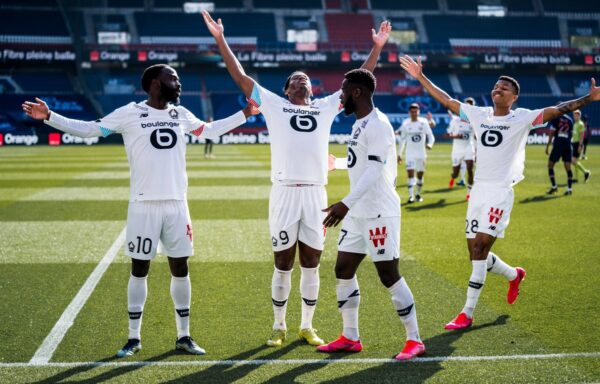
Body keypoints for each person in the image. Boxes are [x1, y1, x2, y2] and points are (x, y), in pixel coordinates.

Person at [22, 64, 258, 357]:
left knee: (180, 268)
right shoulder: (129, 113)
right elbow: (91, 129)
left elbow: (208, 130)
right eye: (173, 78)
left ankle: (184, 336)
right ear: (155, 84)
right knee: (139, 268)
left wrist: (245, 114)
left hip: (176, 204)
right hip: (143, 205)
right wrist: (50, 117)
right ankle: (134, 338)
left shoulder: (181, 114)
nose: (179, 83)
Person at [202, 10, 392, 347]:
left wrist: (376, 46)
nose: (302, 79)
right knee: (282, 261)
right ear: (287, 90)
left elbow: (362, 78)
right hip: (285, 193)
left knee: (312, 262)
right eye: (295, 78)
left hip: (316, 195)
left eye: (305, 78)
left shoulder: (325, 107)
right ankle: (278, 326)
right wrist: (220, 39)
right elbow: (240, 75)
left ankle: (307, 325)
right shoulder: (273, 104)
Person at [400, 55, 600, 330]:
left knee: (481, 248)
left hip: (500, 192)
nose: (498, 89)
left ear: (514, 96)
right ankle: (513, 274)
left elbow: (557, 109)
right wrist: (421, 77)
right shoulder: (478, 114)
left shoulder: (523, 118)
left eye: (505, 87)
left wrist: (587, 99)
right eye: (496, 85)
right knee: (474, 254)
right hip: (479, 191)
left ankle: (467, 313)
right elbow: (446, 100)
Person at [318, 69, 424, 360]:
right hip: (358, 213)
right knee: (343, 269)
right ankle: (350, 337)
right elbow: (362, 162)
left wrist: (345, 203)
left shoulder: (378, 124)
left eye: (343, 90)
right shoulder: (360, 124)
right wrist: (337, 163)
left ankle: (414, 340)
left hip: (378, 211)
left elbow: (376, 169)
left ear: (357, 92)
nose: (340, 96)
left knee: (388, 274)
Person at [396, 103, 435, 203]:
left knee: (420, 175)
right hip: (410, 154)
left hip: (421, 154)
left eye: (416, 111)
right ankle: (411, 196)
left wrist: (430, 144)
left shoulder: (424, 123)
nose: (414, 113)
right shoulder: (406, 124)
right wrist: (399, 154)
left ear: (419, 112)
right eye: (412, 112)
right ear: (409, 113)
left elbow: (431, 136)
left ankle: (418, 194)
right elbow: (402, 141)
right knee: (410, 174)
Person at [445, 97, 476, 199]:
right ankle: (453, 178)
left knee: (470, 169)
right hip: (457, 150)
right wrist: (456, 136)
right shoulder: (455, 120)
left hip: (469, 148)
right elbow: (447, 134)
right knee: (455, 173)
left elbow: (476, 137)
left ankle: (469, 193)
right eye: (466, 106)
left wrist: (477, 150)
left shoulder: (474, 121)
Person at [545, 112, 574, 195]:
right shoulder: (570, 120)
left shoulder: (555, 118)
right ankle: (569, 189)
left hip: (558, 145)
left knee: (550, 165)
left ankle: (554, 187)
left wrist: (548, 146)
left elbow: (551, 132)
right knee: (568, 167)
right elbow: (571, 134)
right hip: (568, 145)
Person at [571, 110, 591, 183]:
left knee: (573, 161)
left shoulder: (580, 124)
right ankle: (576, 178)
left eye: (577, 115)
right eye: (574, 115)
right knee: (575, 161)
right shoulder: (575, 124)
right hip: (574, 143)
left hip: (577, 144)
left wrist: (580, 145)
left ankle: (586, 172)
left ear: (579, 116)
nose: (575, 116)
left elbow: (582, 136)